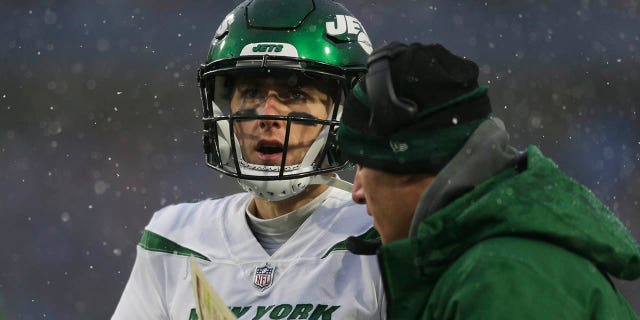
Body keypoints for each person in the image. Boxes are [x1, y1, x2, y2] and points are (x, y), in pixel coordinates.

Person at [112, 1, 385, 319]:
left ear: (346, 112)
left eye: (295, 94)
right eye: (252, 92)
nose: (267, 114)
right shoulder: (174, 239)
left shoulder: (383, 234)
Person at [337, 42, 640, 319]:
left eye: (365, 164)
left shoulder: (505, 278)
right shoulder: (494, 259)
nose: (357, 191)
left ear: (411, 166)